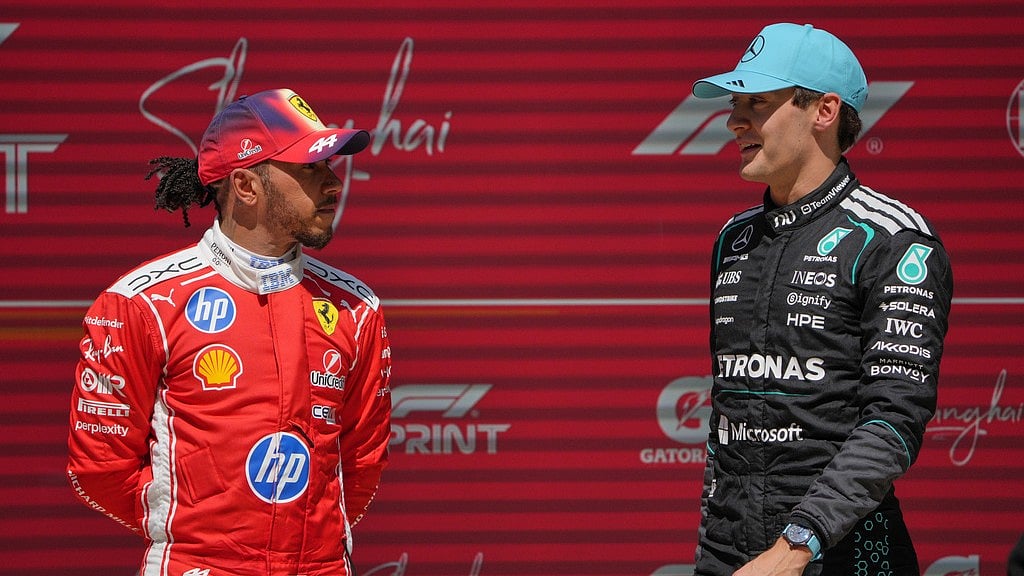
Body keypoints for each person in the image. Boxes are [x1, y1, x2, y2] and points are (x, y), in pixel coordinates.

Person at [66, 88, 393, 576]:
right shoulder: (140, 303)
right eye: (310, 168)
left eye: (331, 166)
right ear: (245, 185)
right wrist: (200, 531)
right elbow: (100, 468)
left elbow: (362, 462)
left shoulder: (357, 308)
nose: (333, 183)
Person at [690, 23, 953, 575]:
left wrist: (794, 550)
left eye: (757, 103)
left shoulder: (893, 238)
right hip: (732, 557)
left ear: (825, 111)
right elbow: (727, 422)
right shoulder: (732, 241)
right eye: (736, 104)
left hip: (843, 557)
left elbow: (893, 420)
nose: (735, 120)